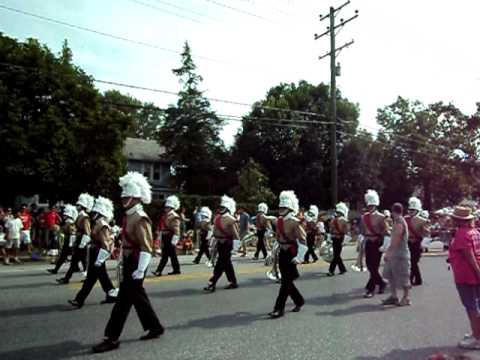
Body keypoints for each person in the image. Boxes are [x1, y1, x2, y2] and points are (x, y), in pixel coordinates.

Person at [92, 171, 163, 353]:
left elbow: (147, 247)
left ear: (136, 198)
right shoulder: (129, 215)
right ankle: (154, 327)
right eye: (123, 196)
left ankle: (111, 338)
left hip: (137, 262)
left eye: (128, 196)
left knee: (123, 302)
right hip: (129, 261)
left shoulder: (140, 218)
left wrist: (140, 270)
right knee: (138, 297)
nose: (124, 199)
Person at [68, 196, 118, 308]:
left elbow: (106, 244)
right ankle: (112, 293)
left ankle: (79, 300)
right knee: (100, 277)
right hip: (95, 252)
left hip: (98, 254)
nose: (93, 213)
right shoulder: (97, 223)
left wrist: (100, 260)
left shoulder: (102, 225)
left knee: (90, 279)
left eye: (95, 211)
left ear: (100, 212)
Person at [268, 191, 306, 319]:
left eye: (284, 207)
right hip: (282, 253)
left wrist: (299, 257)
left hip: (291, 253)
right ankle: (299, 300)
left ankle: (279, 308)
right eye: (280, 207)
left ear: (289, 208)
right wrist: (272, 253)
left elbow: (303, 240)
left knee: (285, 283)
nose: (281, 209)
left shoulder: (295, 222)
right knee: (286, 281)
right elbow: (278, 239)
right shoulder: (278, 221)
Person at [448, 206, 480, 350]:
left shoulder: (461, 233)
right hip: (473, 272)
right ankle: (477, 332)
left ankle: (477, 338)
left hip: (466, 274)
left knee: (471, 306)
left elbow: (469, 256)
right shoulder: (474, 232)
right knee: (476, 304)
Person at [203, 195, 240, 293]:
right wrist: (210, 239)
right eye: (220, 207)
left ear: (227, 208)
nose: (221, 209)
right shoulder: (217, 218)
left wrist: (235, 249)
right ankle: (233, 282)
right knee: (227, 264)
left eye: (223, 207)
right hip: (219, 243)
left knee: (220, 264)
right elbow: (214, 230)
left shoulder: (230, 219)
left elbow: (236, 235)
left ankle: (212, 282)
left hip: (227, 244)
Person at [56, 193, 94, 284]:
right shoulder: (79, 216)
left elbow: (87, 232)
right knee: (76, 262)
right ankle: (67, 279)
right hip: (78, 241)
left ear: (82, 206)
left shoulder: (85, 217)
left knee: (81, 262)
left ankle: (68, 279)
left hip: (82, 242)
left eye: (78, 205)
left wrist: (82, 244)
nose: (77, 206)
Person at [382, 203, 411, 306]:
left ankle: (406, 297)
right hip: (395, 254)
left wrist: (388, 253)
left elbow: (395, 241)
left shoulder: (399, 223)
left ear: (394, 211)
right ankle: (394, 296)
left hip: (400, 254)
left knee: (403, 276)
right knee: (390, 274)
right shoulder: (397, 222)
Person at [361, 189, 388, 298]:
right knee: (369, 265)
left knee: (374, 266)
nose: (370, 207)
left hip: (377, 242)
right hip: (368, 242)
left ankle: (370, 289)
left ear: (376, 205)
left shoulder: (382, 217)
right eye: (369, 205)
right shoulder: (364, 217)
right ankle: (381, 283)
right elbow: (362, 230)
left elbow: (385, 230)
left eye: (372, 205)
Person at [152, 195, 181, 276]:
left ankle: (159, 271)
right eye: (166, 207)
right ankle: (176, 269)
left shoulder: (174, 216)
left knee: (168, 256)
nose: (165, 208)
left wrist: (174, 241)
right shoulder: (166, 215)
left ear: (171, 208)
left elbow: (176, 230)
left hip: (170, 237)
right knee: (170, 255)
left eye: (167, 207)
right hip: (165, 237)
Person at [405, 196, 430, 286]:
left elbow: (427, 233)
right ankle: (413, 279)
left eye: (413, 210)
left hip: (417, 243)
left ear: (417, 210)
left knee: (413, 262)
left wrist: (425, 229)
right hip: (408, 242)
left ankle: (415, 279)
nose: (411, 211)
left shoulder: (422, 221)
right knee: (409, 262)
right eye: (410, 209)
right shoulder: (405, 219)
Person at [48, 204, 78, 274]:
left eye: (65, 215)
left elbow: (72, 234)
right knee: (64, 257)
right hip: (67, 242)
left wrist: (71, 244)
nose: (64, 216)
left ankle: (56, 270)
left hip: (69, 242)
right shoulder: (67, 222)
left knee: (73, 257)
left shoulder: (70, 223)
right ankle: (56, 270)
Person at [328, 202, 349, 276]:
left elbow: (330, 230)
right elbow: (346, 231)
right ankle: (342, 269)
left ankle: (331, 270)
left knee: (336, 255)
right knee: (337, 255)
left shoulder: (333, 220)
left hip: (335, 238)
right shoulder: (344, 220)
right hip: (339, 238)